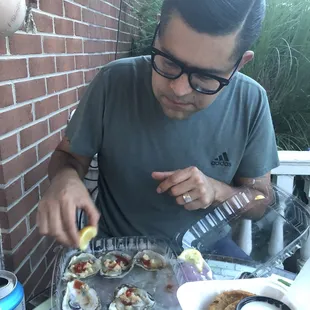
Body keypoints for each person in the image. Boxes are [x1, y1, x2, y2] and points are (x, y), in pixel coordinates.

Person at [37, 0, 279, 253]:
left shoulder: (251, 100)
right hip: (119, 248)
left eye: (206, 76)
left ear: (239, 65)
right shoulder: (113, 82)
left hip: (207, 250)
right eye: (169, 62)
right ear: (157, 34)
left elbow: (262, 200)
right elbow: (68, 156)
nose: (179, 89)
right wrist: (65, 178)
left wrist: (217, 191)